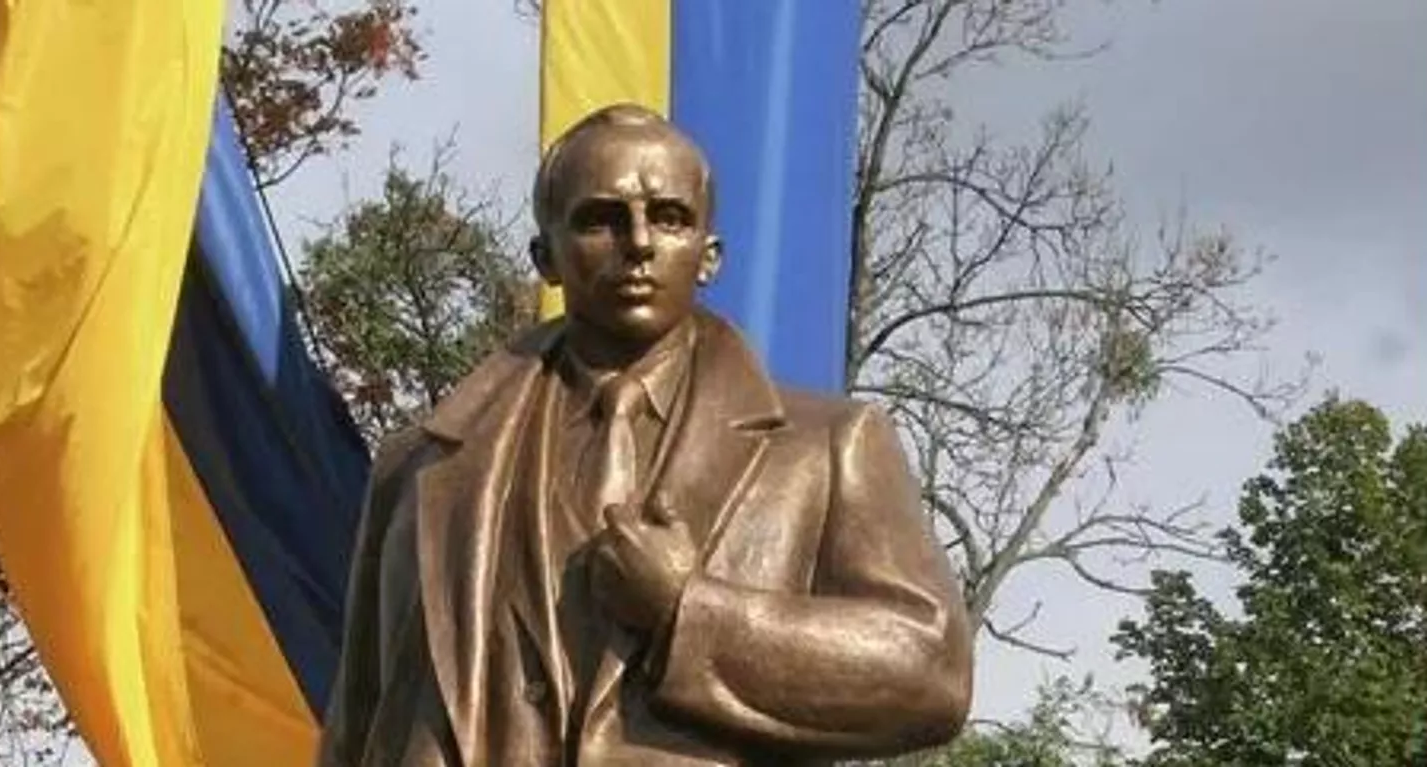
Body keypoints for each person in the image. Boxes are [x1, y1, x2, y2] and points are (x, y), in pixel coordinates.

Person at [317, 103, 972, 766]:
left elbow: (931, 671)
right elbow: (356, 723)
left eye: (669, 217)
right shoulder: (423, 463)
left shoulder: (827, 447)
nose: (638, 243)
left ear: (709, 255)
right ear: (546, 256)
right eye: (600, 219)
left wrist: (690, 610)